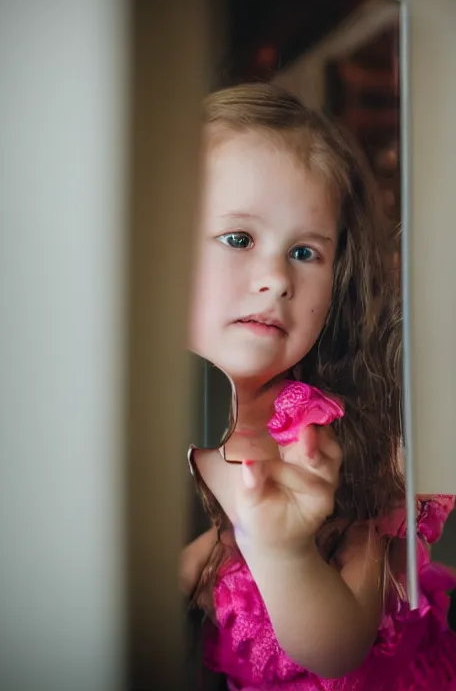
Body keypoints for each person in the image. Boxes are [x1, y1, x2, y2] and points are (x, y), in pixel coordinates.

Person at [182, 82, 456, 689]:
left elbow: (340, 647)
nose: (277, 278)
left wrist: (285, 555)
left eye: (305, 252)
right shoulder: (143, 414)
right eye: (239, 239)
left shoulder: (318, 436)